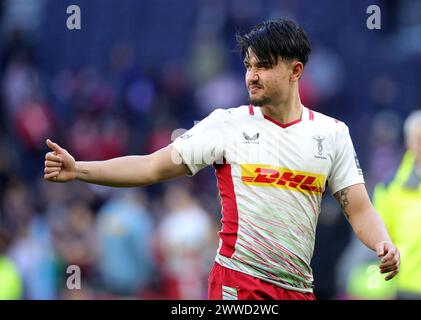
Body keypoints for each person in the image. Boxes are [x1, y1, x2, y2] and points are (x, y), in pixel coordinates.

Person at [43, 19, 400, 300]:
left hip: (298, 289)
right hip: (239, 282)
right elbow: (151, 166)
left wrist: (381, 242)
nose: (251, 75)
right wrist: (80, 170)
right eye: (248, 65)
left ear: (295, 71)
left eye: (263, 66)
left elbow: (360, 209)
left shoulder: (332, 133)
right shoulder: (225, 125)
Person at [372, 109, 421, 300]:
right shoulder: (390, 189)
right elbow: (379, 241)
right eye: (420, 139)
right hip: (408, 291)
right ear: (409, 144)